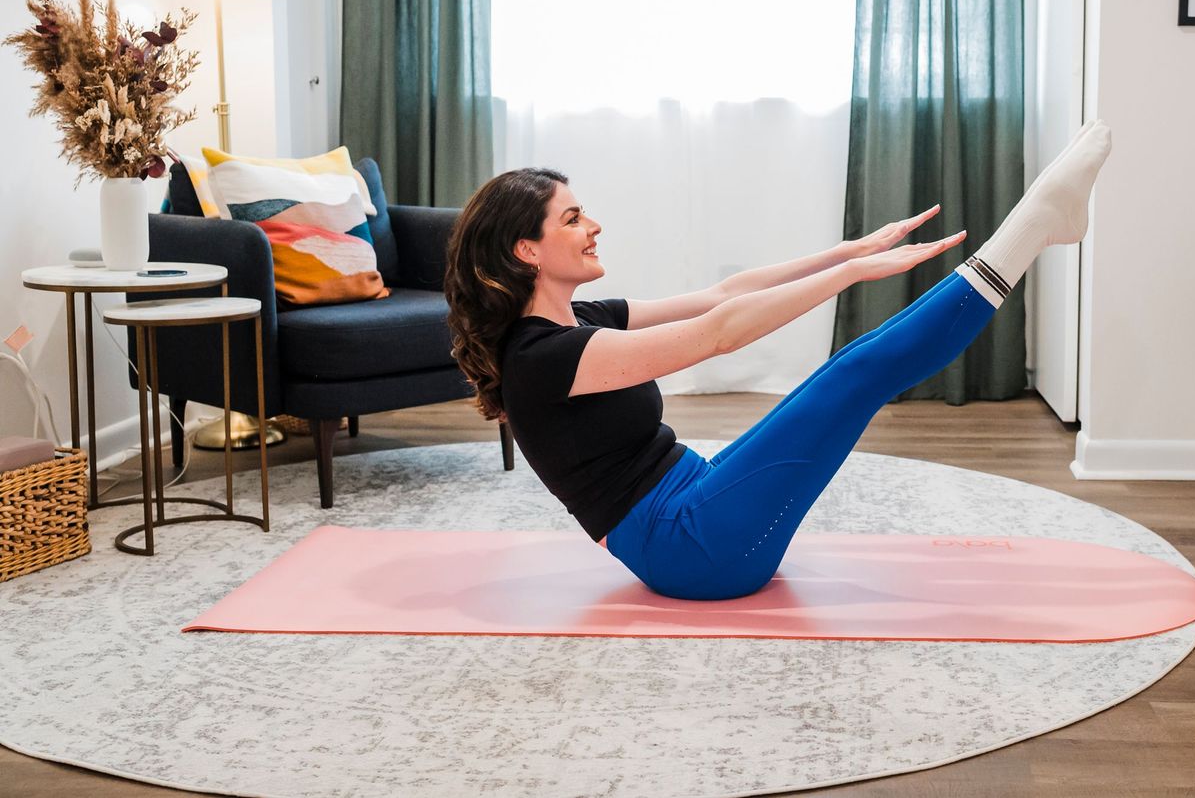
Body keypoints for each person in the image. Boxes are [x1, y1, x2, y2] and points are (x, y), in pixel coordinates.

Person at [443, 120, 1113, 600]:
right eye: (571, 219)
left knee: (836, 377)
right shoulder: (544, 358)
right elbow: (720, 333)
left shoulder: (580, 319)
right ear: (525, 250)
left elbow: (724, 294)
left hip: (693, 501)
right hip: (690, 548)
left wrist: (847, 251)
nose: (592, 226)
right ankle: (1033, 228)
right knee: (854, 374)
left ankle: (1042, 225)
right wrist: (851, 278)